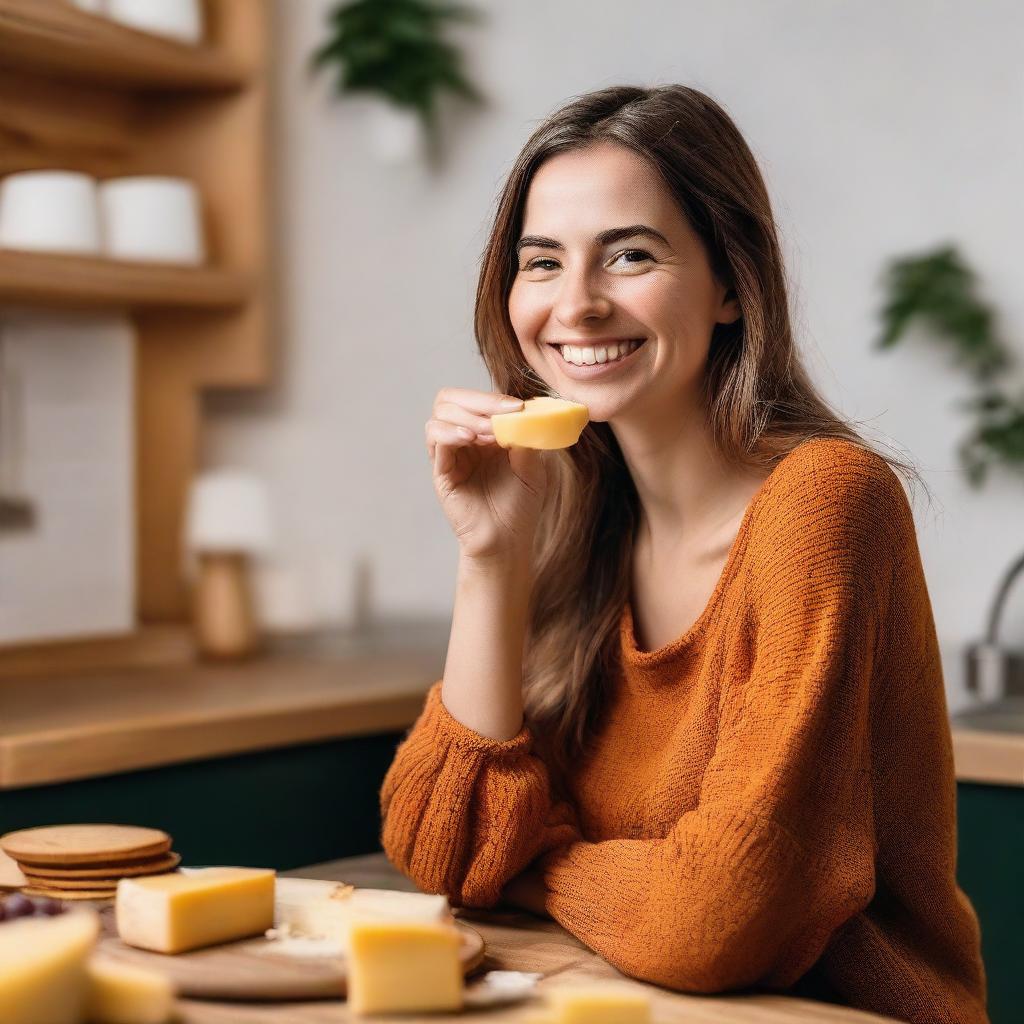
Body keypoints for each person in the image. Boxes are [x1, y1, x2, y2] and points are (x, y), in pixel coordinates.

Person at [380, 84, 989, 1024]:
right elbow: (441, 848)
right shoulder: (579, 519)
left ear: (732, 287)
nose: (576, 305)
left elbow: (714, 922)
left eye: (630, 255)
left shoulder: (826, 504)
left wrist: (532, 860)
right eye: (542, 262)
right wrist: (491, 559)